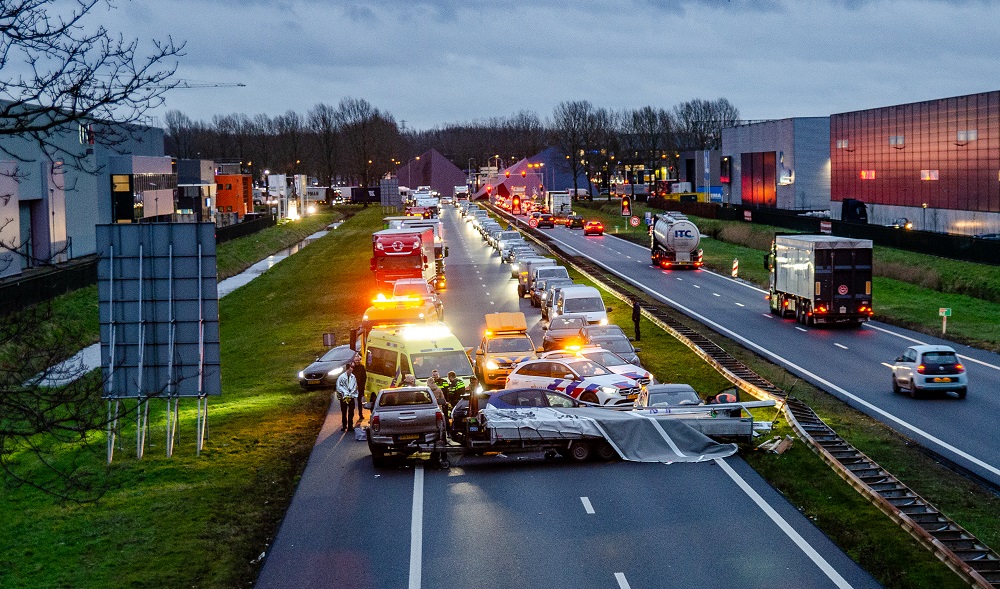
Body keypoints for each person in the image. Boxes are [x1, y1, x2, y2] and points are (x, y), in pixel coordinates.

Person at [336, 364, 358, 431]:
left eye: (352, 369)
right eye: (350, 369)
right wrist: (345, 394)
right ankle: (344, 425)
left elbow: (355, 386)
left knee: (351, 412)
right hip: (343, 398)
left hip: (351, 397)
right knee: (344, 411)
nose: (352, 370)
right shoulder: (341, 377)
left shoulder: (353, 377)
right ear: (347, 369)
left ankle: (350, 426)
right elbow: (339, 387)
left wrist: (351, 394)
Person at [352, 354, 367, 422]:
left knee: (359, 401)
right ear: (354, 361)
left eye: (358, 360)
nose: (357, 362)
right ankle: (351, 415)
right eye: (356, 360)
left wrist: (363, 386)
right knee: (351, 402)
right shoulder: (352, 367)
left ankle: (360, 414)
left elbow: (364, 377)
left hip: (360, 387)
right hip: (352, 387)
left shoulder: (362, 367)